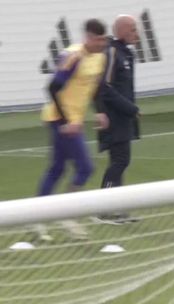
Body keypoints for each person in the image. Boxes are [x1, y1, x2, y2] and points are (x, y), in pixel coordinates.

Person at [36, 19, 109, 240]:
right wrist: (67, 121)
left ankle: (36, 217)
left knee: (57, 168)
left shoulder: (100, 57)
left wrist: (99, 111)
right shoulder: (72, 56)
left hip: (73, 121)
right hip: (60, 120)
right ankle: (66, 213)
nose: (101, 43)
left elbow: (94, 88)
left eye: (103, 39)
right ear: (87, 37)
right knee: (85, 167)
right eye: (98, 39)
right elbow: (52, 87)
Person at [94, 15, 141, 224]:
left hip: (124, 117)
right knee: (120, 161)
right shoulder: (112, 52)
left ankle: (118, 209)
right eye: (132, 29)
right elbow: (104, 87)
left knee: (121, 162)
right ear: (121, 30)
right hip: (115, 118)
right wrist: (129, 108)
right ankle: (103, 209)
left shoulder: (125, 53)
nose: (136, 33)